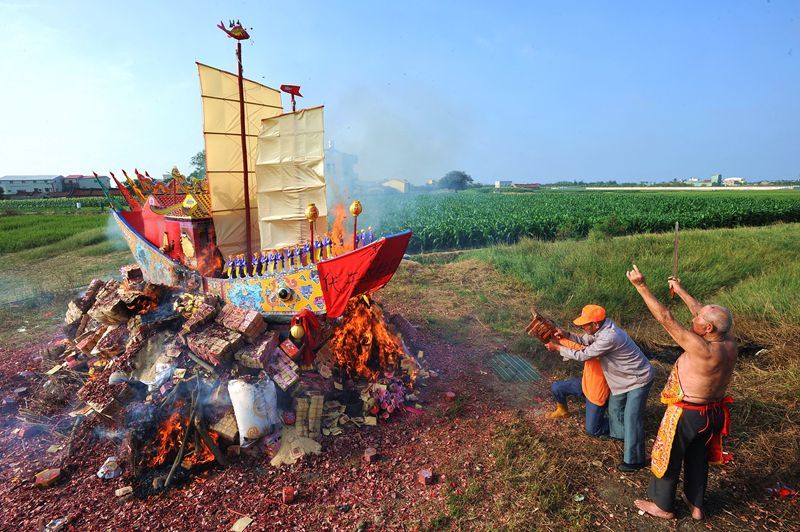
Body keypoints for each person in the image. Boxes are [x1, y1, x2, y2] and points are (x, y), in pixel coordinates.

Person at [626, 265, 737, 520]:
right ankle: (696, 505)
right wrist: (680, 290)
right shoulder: (729, 342)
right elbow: (700, 309)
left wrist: (641, 286)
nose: (693, 318)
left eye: (698, 320)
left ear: (708, 329)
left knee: (668, 456)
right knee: (697, 457)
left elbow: (665, 318)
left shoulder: (701, 348)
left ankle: (662, 506)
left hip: (688, 414)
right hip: (712, 414)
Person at [545, 304, 654, 471]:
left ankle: (635, 461)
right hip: (620, 380)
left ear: (596, 324)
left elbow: (583, 355)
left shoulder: (610, 336)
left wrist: (558, 347)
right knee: (616, 410)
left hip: (638, 379)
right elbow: (584, 340)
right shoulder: (601, 329)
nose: (582, 327)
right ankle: (619, 435)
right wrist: (567, 335)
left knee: (632, 418)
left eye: (585, 324)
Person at [545, 354, 610, 437]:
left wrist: (558, 347)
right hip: (586, 382)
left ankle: (620, 424)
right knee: (557, 387)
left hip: (598, 392)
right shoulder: (592, 344)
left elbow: (584, 352)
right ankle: (562, 411)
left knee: (593, 430)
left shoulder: (605, 346)